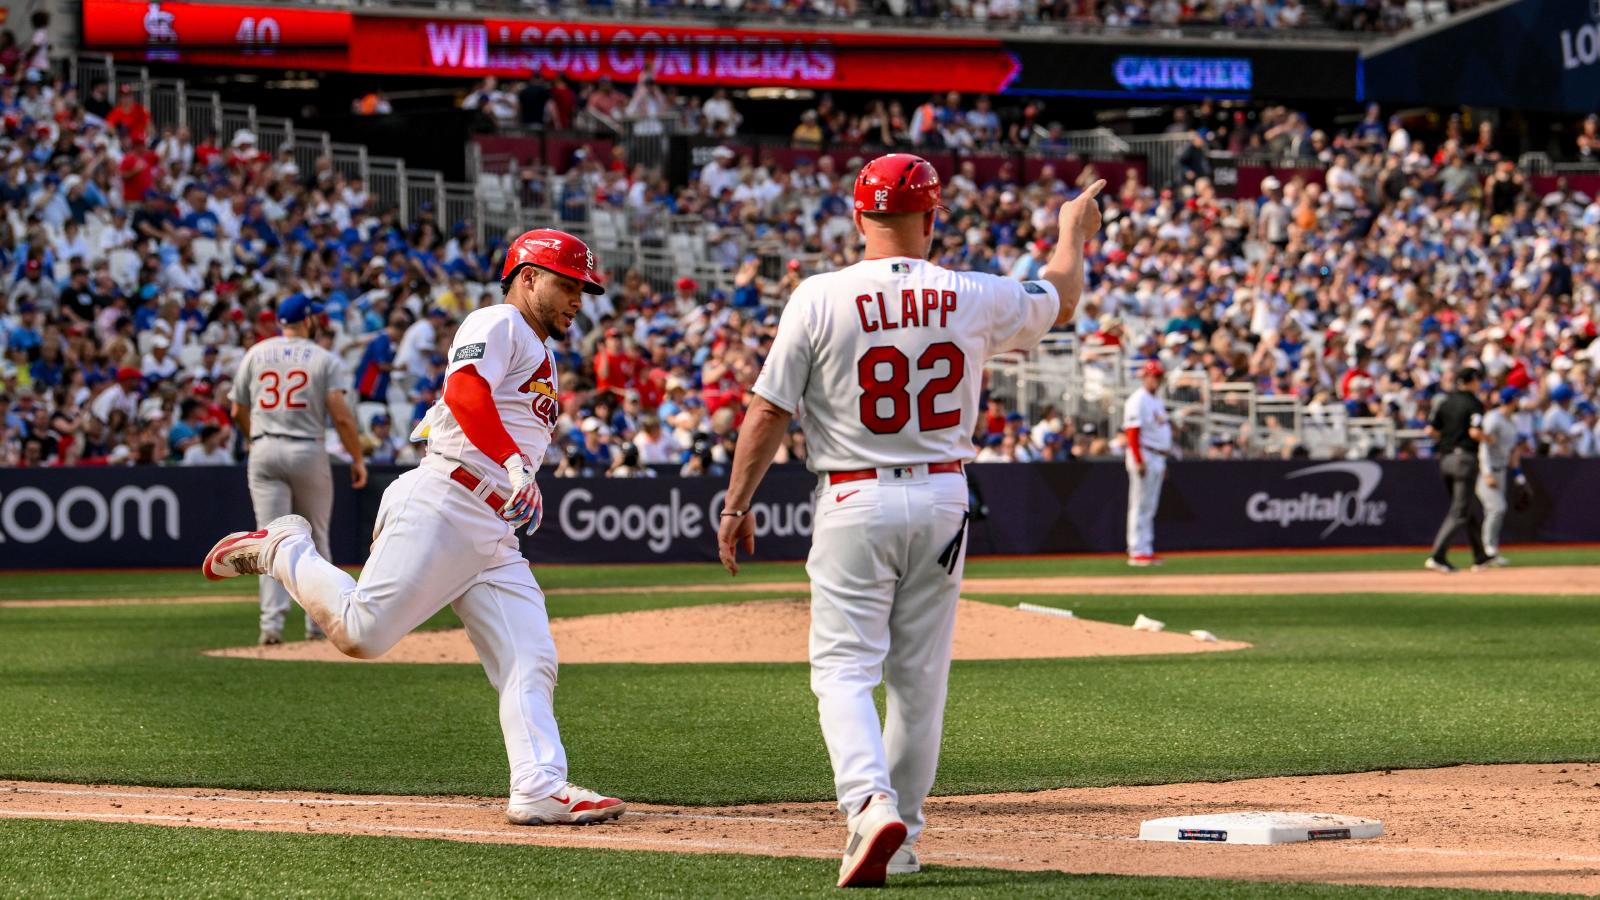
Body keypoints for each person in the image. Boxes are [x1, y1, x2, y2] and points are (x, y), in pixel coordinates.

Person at [715, 153, 1103, 888]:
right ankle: (908, 836)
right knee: (919, 683)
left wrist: (737, 504)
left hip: (854, 494)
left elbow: (768, 410)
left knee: (842, 670)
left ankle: (868, 805)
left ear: (861, 218)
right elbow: (1060, 296)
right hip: (943, 495)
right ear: (932, 220)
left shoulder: (818, 296)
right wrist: (1070, 232)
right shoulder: (972, 294)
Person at [202, 229, 625, 827]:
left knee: (530, 657)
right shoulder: (499, 322)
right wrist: (509, 463)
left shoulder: (538, 346)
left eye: (583, 286)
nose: (578, 297)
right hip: (446, 502)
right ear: (527, 277)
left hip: (491, 530)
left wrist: (511, 475)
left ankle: (537, 784)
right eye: (566, 282)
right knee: (361, 634)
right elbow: (464, 387)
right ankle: (285, 547)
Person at [228, 294, 368, 645]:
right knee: (316, 538)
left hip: (264, 446)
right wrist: (357, 458)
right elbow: (340, 413)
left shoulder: (256, 353)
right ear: (308, 321)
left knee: (268, 540)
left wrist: (254, 439)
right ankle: (317, 626)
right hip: (306, 448)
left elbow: (236, 409)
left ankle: (270, 626)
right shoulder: (323, 358)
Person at [1425, 366, 1491, 573]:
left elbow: (1431, 430)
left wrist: (1447, 440)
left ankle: (1480, 556)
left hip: (1446, 460)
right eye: (1477, 380)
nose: (1479, 384)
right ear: (1471, 381)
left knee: (1468, 508)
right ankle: (1438, 555)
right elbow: (1474, 432)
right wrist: (1490, 440)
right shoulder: (1474, 403)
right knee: (1460, 511)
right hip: (1465, 459)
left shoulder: (1445, 402)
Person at [1123, 359, 1171, 566]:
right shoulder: (1138, 399)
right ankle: (1136, 550)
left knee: (1150, 506)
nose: (1156, 380)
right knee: (1139, 505)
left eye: (1158, 376)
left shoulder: (1156, 400)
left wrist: (1162, 461)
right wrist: (1139, 460)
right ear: (1145, 376)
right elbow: (1132, 432)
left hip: (1157, 456)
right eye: (1153, 376)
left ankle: (1146, 548)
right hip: (1144, 454)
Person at [1475, 385, 1521, 567]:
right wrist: (1486, 473)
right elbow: (1483, 446)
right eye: (1517, 398)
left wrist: (1519, 476)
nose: (1519, 402)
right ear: (1511, 400)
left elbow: (1511, 451)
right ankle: (1488, 550)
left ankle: (1491, 551)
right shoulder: (1493, 419)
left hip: (1501, 469)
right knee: (1497, 508)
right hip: (1489, 470)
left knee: (1495, 511)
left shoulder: (1511, 421)